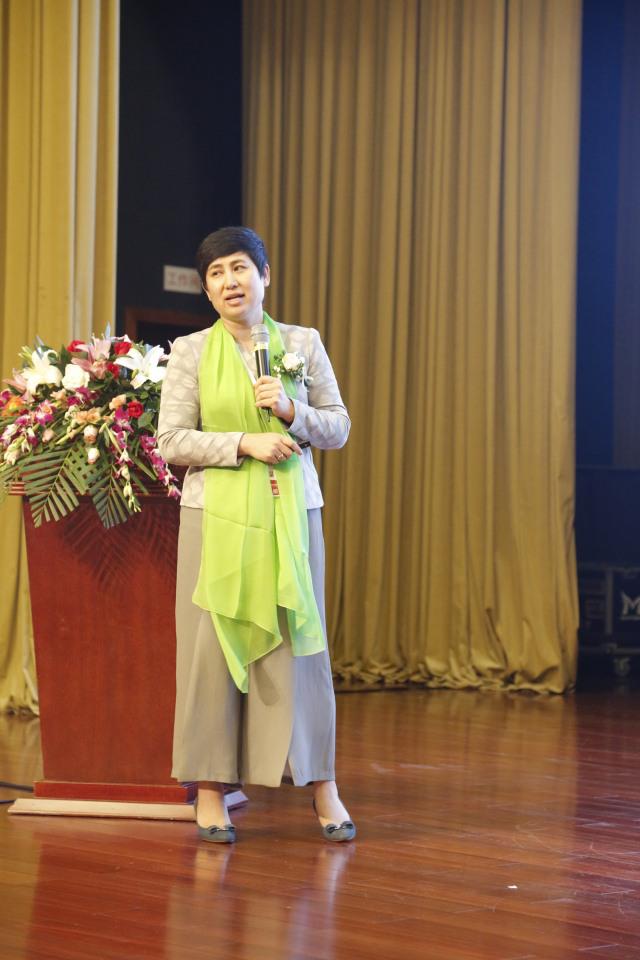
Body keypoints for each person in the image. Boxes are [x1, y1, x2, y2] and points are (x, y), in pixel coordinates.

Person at [157, 226, 355, 843]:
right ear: (207, 290)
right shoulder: (190, 351)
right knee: (210, 652)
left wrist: (291, 412)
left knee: (303, 647)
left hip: (292, 514)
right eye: (216, 274)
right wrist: (244, 442)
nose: (229, 282)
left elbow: (339, 427)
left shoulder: (302, 343)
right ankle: (209, 790)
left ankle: (323, 785)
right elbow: (171, 441)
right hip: (213, 516)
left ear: (265, 275)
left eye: (239, 268)